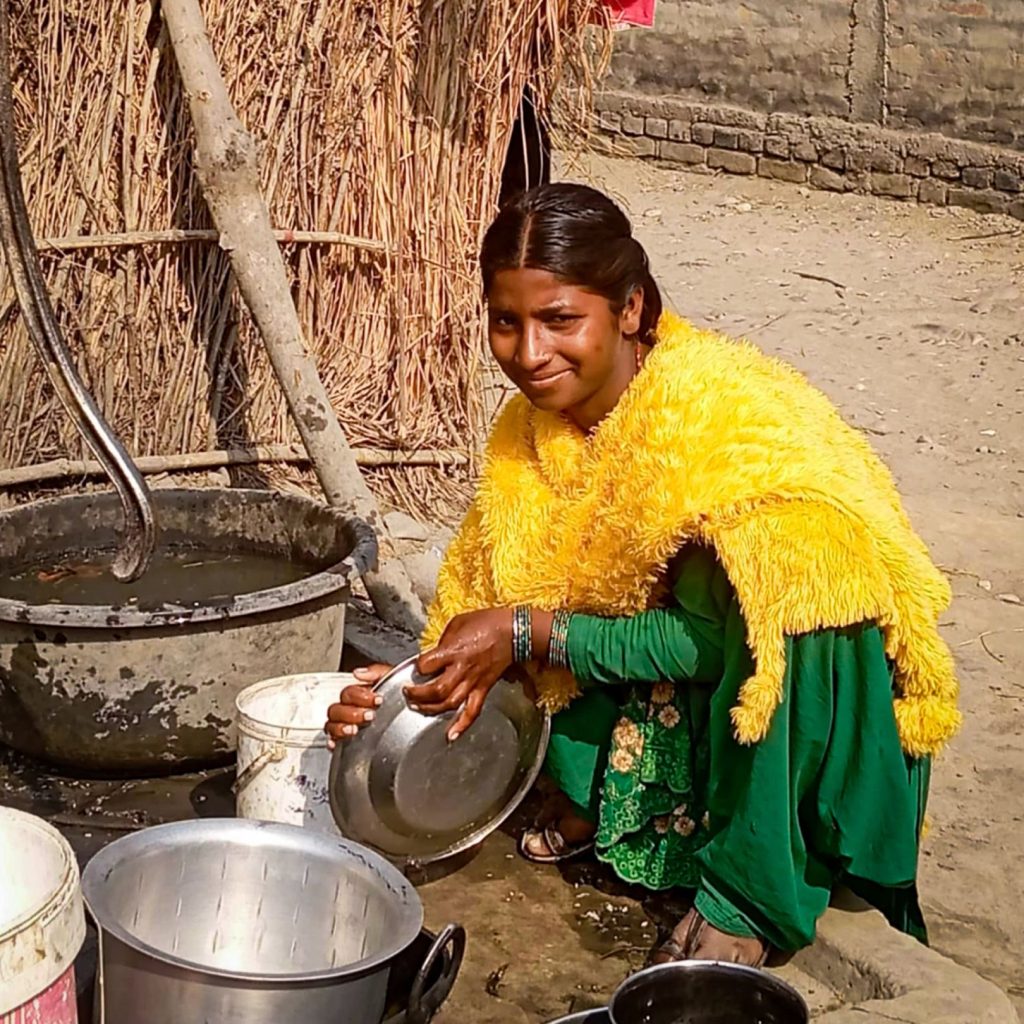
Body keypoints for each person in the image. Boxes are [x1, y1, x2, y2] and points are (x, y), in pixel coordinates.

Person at [325, 183, 960, 966]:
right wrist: (413, 692)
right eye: (506, 322)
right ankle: (616, 804)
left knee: (805, 576)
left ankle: (759, 885)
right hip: (682, 679)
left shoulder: (726, 420)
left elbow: (733, 642)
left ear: (628, 310)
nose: (529, 354)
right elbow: (483, 594)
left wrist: (529, 630)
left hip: (792, 702)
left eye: (560, 320)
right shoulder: (530, 433)